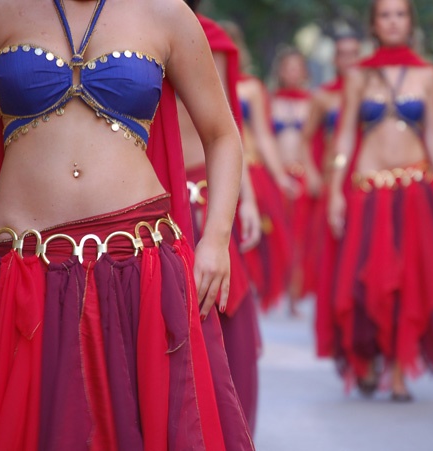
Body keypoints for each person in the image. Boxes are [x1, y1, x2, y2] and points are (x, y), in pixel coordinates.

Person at [0, 0, 255, 449]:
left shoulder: (167, 13)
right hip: (19, 266)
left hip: (134, 268)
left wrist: (215, 240)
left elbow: (222, 134)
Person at [328, 0, 433, 401]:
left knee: (409, 279)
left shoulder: (427, 75)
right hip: (367, 189)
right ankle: (367, 361)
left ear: (409, 21)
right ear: (374, 23)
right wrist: (335, 189)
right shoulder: (357, 76)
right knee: (362, 276)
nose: (393, 21)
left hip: (414, 187)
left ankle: (400, 371)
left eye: (400, 14)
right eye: (385, 14)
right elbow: (346, 135)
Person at [179, 0, 262, 436]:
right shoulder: (116, 26)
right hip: (155, 195)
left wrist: (244, 199)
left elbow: (227, 131)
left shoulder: (216, 41)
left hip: (208, 192)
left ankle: (225, 429)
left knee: (221, 310)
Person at [222, 21, 297, 312]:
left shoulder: (251, 87)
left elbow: (264, 136)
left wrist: (279, 176)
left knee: (255, 236)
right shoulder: (199, 80)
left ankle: (247, 297)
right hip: (216, 170)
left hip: (252, 168)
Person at [298, 32, 362, 358]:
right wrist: (311, 173)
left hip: (364, 184)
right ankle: (340, 328)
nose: (348, 60)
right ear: (335, 59)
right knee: (335, 259)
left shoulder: (371, 89)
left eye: (354, 53)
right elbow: (305, 139)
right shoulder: (323, 98)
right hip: (333, 185)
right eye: (342, 54)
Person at [270, 48, 313, 313]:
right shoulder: (269, 101)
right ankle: (275, 288)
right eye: (288, 67)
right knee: (277, 233)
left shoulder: (313, 102)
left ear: (305, 72)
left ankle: (295, 296)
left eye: (297, 67)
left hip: (303, 174)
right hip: (277, 174)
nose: (292, 73)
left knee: (300, 236)